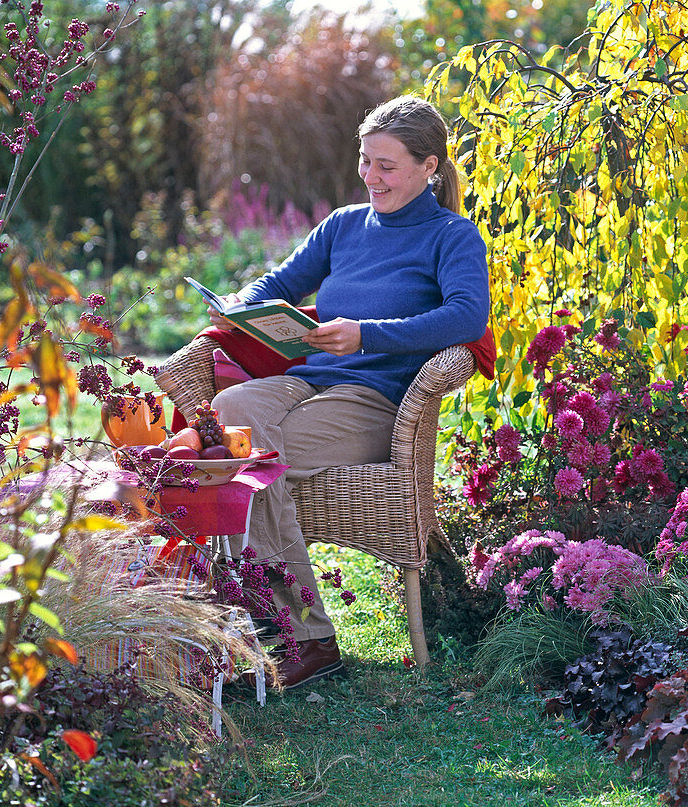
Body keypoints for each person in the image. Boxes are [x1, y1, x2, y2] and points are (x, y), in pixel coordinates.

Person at [208, 95, 490, 688]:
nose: (371, 176)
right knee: (232, 413)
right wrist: (240, 305)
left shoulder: (453, 237)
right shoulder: (342, 225)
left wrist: (366, 336)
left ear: (428, 167)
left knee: (252, 463)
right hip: (308, 381)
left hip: (377, 401)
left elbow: (467, 319)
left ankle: (302, 636)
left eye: (386, 165)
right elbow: (280, 281)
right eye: (365, 161)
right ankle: (269, 624)